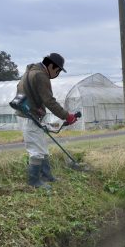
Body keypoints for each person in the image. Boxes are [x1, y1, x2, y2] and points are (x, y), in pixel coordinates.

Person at [16, 53, 78, 189]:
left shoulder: (29, 72)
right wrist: (67, 116)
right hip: (29, 117)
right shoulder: (40, 75)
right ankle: (34, 181)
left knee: (41, 146)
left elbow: (22, 92)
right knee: (36, 150)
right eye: (58, 70)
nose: (57, 74)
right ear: (51, 66)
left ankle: (46, 175)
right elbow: (49, 101)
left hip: (28, 114)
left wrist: (36, 106)